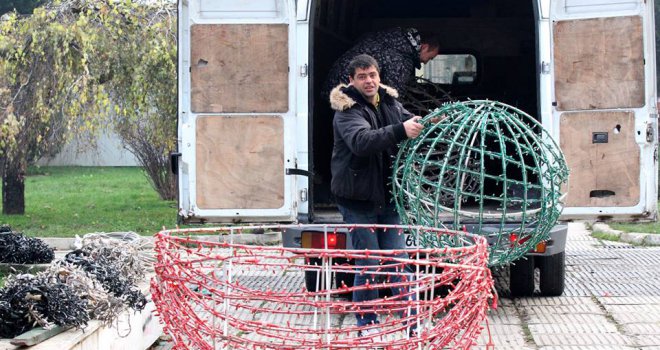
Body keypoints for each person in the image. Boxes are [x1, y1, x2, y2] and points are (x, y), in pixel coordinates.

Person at [329, 54, 424, 337]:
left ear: (379, 76)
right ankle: (367, 325)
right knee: (368, 262)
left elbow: (408, 121)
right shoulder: (346, 111)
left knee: (397, 261)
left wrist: (427, 122)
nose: (369, 81)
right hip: (357, 200)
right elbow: (362, 142)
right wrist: (400, 130)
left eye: (372, 75)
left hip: (388, 197)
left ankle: (413, 323)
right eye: (362, 77)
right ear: (351, 81)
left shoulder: (389, 102)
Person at [322, 27, 440, 100]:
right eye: (430, 58)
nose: (425, 62)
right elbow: (394, 96)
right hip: (349, 94)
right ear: (424, 47)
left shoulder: (390, 38)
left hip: (334, 86)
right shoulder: (399, 57)